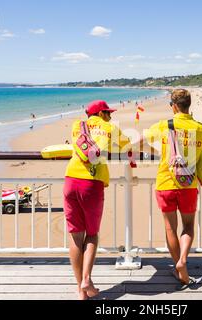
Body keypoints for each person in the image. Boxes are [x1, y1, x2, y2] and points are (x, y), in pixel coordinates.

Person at [143, 89, 202, 287]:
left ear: (173, 106)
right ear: (189, 105)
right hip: (188, 184)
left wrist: (158, 150)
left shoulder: (163, 125)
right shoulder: (201, 127)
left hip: (165, 182)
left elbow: (139, 142)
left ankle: (177, 265)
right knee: (188, 226)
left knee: (169, 227)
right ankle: (182, 260)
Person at [64, 100, 131, 300]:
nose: (110, 116)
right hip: (91, 183)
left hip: (70, 180)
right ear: (101, 113)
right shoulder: (109, 127)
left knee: (76, 236)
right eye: (108, 113)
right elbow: (127, 145)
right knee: (92, 235)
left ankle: (80, 291)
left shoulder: (78, 125)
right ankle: (86, 279)